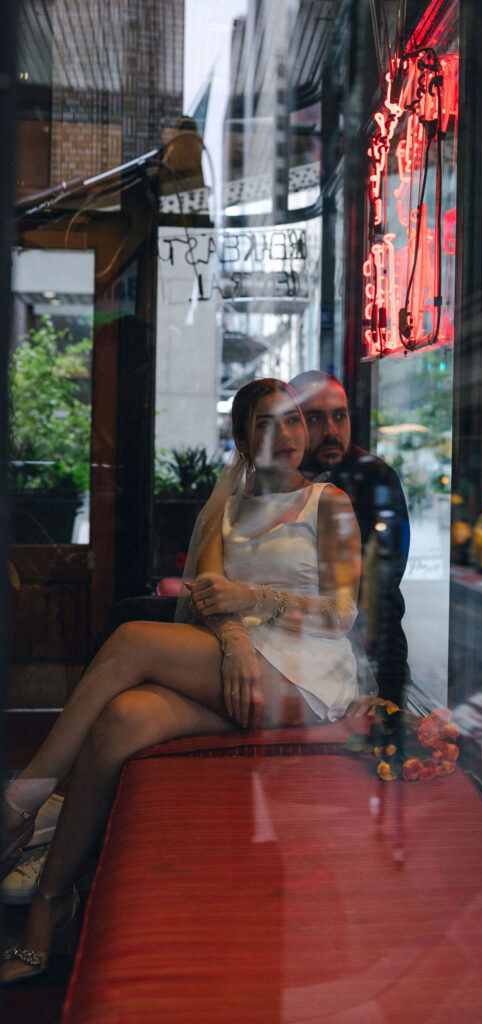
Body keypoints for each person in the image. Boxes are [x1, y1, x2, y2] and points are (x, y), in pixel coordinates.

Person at [1, 378, 363, 985]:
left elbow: (343, 615)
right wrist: (236, 643)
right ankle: (50, 911)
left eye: (294, 421)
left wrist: (252, 601)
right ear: (244, 442)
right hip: (237, 667)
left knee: (134, 639)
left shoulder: (331, 504)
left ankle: (20, 802)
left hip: (307, 677)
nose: (288, 436)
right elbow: (207, 603)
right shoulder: (226, 509)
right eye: (267, 425)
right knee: (122, 720)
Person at [289, 371, 411, 708]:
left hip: (370, 648)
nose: (331, 430)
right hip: (289, 649)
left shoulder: (374, 476)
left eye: (339, 416)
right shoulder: (277, 481)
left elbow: (383, 582)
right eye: (315, 418)